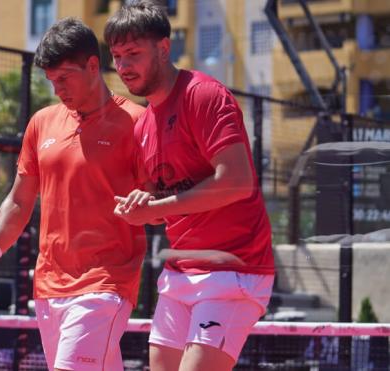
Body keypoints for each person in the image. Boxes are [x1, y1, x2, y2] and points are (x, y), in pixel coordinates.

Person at [0, 17, 148, 371]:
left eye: (64, 78)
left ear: (93, 66)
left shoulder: (138, 124)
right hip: (49, 288)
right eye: (51, 81)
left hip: (105, 284)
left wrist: (148, 205)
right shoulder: (42, 123)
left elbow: (158, 203)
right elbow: (19, 202)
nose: (57, 90)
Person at [104, 2, 275, 371]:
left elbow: (237, 182)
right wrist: (140, 207)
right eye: (117, 56)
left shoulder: (204, 95)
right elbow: (160, 200)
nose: (123, 67)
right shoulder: (143, 125)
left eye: (133, 54)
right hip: (181, 272)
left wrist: (155, 209)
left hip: (233, 270)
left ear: (164, 48)